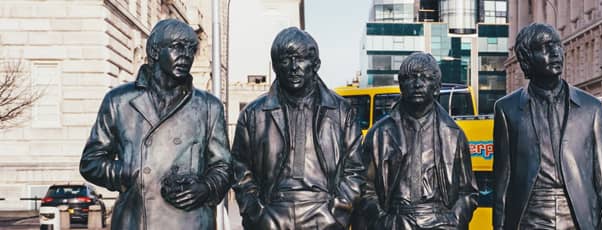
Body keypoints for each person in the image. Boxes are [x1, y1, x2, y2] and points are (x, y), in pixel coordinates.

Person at [80, 19, 231, 229]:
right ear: (154, 51)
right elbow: (90, 162)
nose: (186, 55)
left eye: (191, 49)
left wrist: (206, 187)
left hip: (191, 220)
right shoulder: (118, 101)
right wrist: (126, 173)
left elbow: (223, 166)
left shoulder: (208, 106)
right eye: (177, 46)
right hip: (137, 220)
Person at [492, 23, 602, 230]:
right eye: (545, 46)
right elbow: (502, 183)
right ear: (526, 59)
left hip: (579, 217)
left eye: (557, 45)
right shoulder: (507, 109)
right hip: (529, 218)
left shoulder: (592, 108)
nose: (555, 52)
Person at [231, 27, 365, 230]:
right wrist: (256, 214)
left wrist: (338, 214)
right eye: (285, 60)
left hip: (324, 214)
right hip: (272, 214)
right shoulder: (253, 114)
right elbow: (240, 170)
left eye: (301, 58)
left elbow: (355, 170)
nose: (294, 67)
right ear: (275, 66)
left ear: (316, 64)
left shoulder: (342, 112)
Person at [357, 52, 478, 230]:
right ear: (400, 86)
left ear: (437, 87)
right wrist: (384, 221)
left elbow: (468, 192)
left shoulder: (454, 135)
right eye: (410, 78)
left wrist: (454, 221)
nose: (417, 84)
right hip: (395, 220)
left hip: (441, 222)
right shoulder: (379, 134)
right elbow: (365, 188)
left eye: (426, 78)